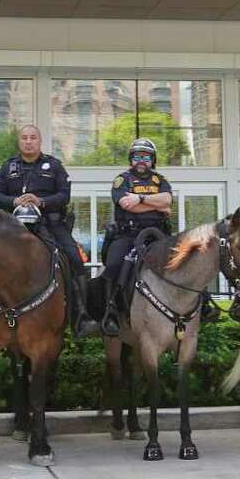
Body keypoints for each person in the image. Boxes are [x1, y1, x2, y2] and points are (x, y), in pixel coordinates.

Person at [0, 124, 98, 337]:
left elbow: (63, 196)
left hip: (51, 224)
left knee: (75, 259)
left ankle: (81, 316)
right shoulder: (8, 167)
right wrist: (15, 200)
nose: (28, 141)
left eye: (33, 137)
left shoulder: (55, 166)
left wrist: (40, 201)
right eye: (24, 138)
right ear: (19, 142)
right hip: (15, 227)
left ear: (39, 141)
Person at [100, 137, 173, 334]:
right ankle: (111, 311)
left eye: (146, 157)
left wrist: (139, 199)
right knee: (114, 265)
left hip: (158, 234)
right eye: (138, 156)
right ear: (131, 159)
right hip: (128, 235)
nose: (142, 160)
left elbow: (167, 200)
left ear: (153, 160)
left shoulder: (160, 180)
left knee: (186, 258)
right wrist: (155, 206)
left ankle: (203, 303)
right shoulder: (122, 180)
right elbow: (126, 204)